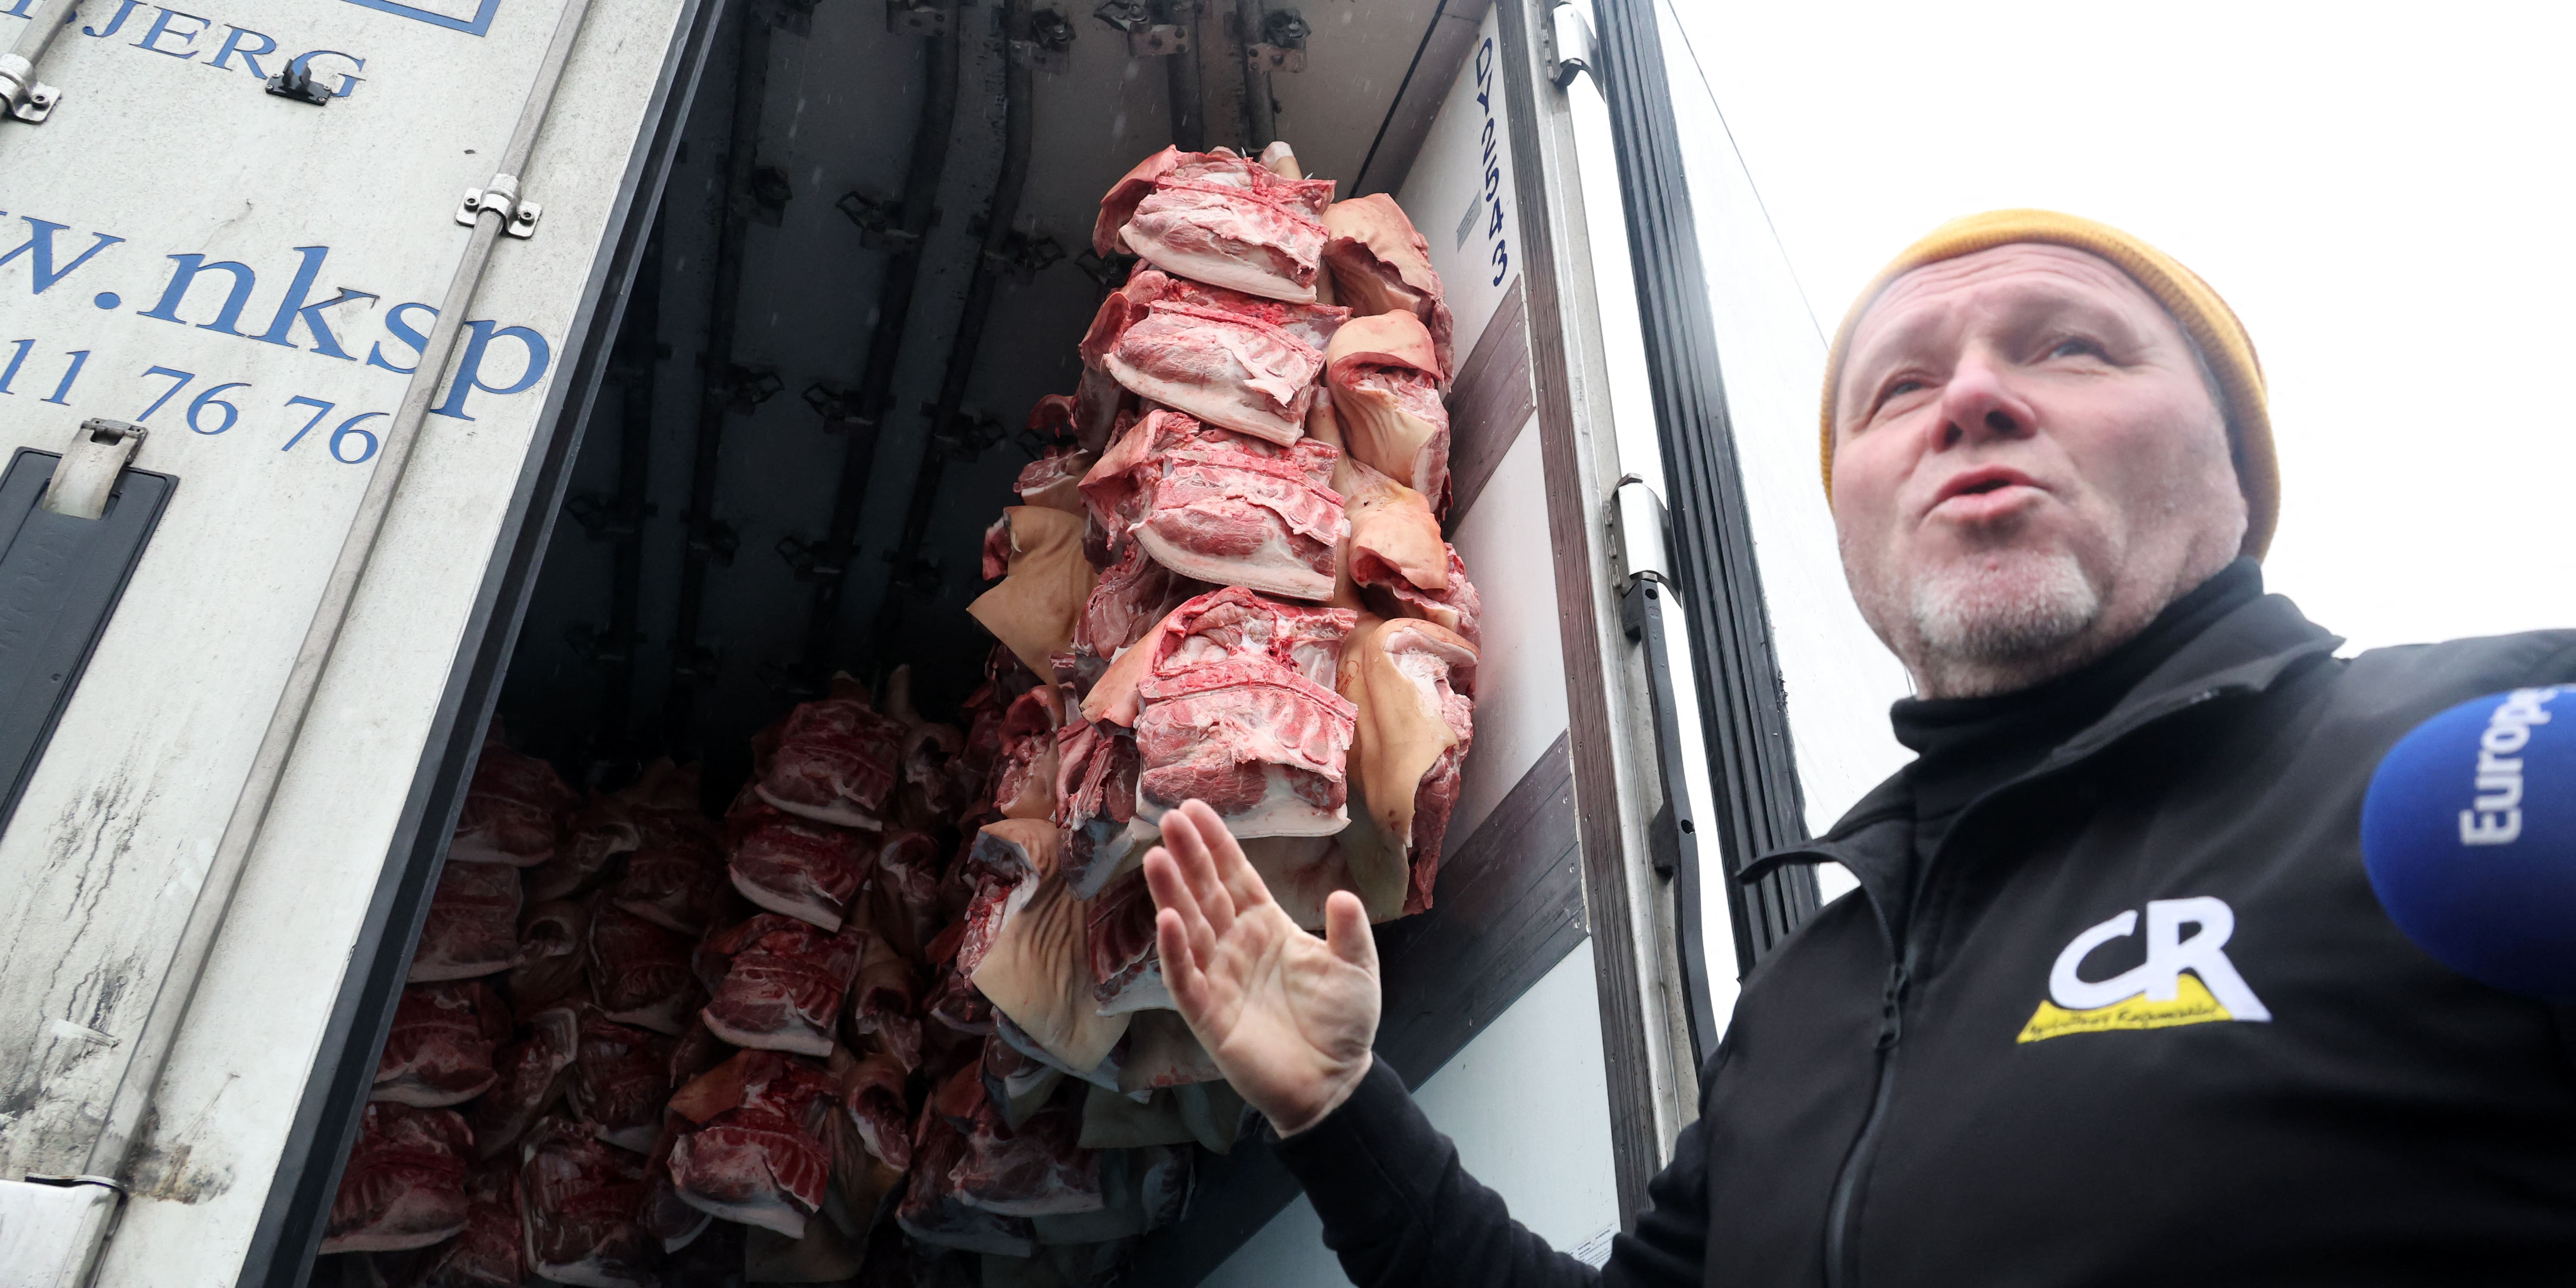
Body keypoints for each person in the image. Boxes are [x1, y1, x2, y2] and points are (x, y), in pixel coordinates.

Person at [1138, 210, 2576, 1286]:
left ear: (2241, 466)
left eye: (2071, 345)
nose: (1970, 398)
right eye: (1895, 391)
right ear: (1853, 525)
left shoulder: (2484, 757)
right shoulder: (1816, 994)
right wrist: (1338, 1111)